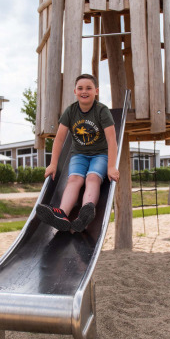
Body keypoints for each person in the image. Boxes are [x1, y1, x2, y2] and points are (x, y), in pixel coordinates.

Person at [36, 73, 119, 232]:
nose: (84, 91)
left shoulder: (102, 111)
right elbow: (59, 139)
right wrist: (53, 164)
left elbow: (111, 140)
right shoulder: (71, 111)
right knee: (74, 179)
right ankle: (61, 214)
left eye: (89, 88)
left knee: (92, 177)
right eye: (80, 88)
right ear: (75, 91)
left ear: (96, 91)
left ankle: (85, 211)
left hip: (100, 155)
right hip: (79, 155)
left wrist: (111, 167)